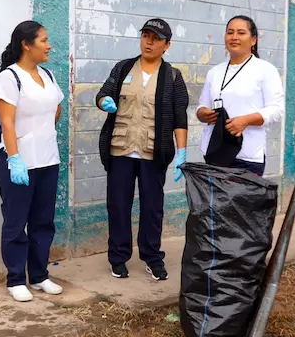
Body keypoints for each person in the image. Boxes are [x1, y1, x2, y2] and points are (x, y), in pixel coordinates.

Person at [96, 18, 189, 282]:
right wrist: (105, 101)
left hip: (152, 153)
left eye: (156, 38)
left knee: (152, 207)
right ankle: (118, 257)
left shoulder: (173, 76)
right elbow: (102, 94)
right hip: (120, 150)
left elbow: (179, 117)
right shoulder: (124, 68)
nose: (149, 42)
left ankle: (152, 258)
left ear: (166, 45)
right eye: (145, 35)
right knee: (118, 206)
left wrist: (181, 152)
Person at [0, 21, 65, 302]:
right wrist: (15, 158)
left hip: (48, 160)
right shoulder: (9, 78)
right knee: (16, 220)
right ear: (26, 44)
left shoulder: (46, 75)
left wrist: (42, 135)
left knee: (43, 221)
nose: (49, 46)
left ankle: (39, 276)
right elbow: (7, 123)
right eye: (44, 40)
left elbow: (56, 109)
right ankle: (15, 279)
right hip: (19, 161)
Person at [196, 15, 284, 176]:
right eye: (230, 32)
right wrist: (204, 114)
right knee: (216, 202)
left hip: (248, 156)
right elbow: (202, 106)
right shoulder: (214, 72)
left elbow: (277, 110)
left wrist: (245, 121)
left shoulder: (265, 70)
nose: (234, 37)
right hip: (216, 152)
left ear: (253, 40)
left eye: (241, 33)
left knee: (243, 202)